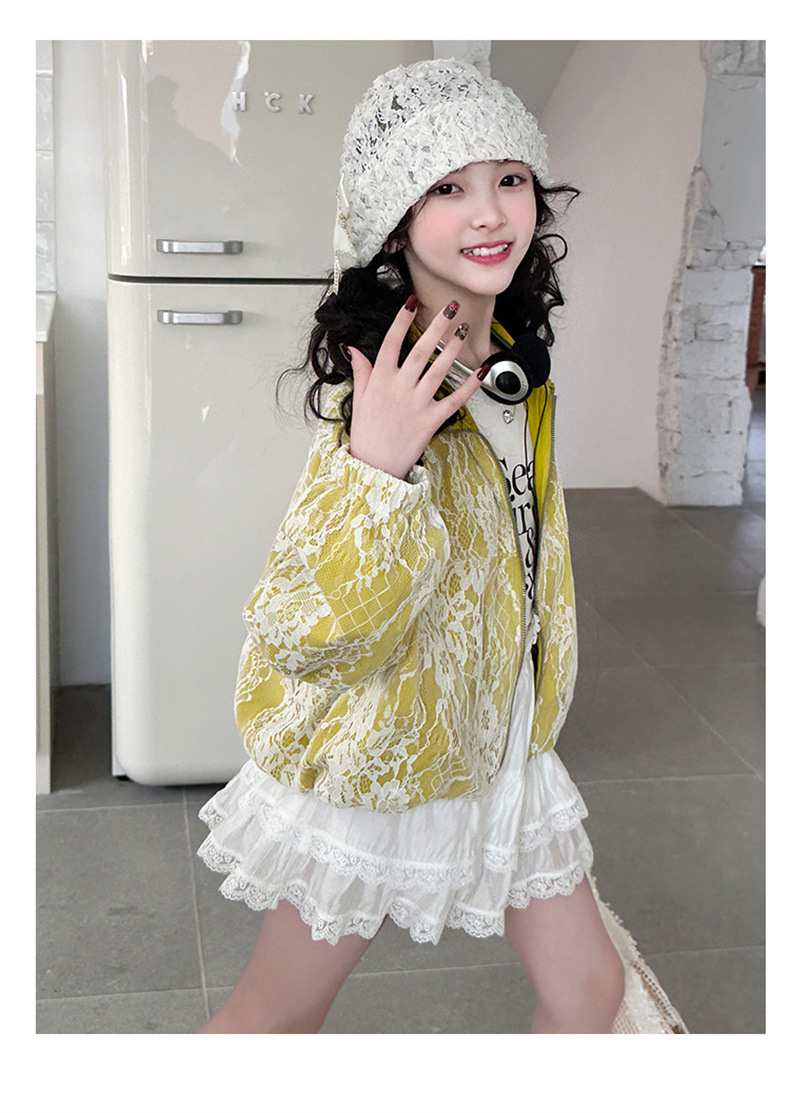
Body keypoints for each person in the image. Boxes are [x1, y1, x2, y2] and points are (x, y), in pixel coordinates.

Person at [195, 59, 669, 1036]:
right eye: (447, 187)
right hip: (386, 757)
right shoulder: (383, 391)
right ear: (394, 221)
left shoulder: (512, 370)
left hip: (500, 740)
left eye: (509, 178)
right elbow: (308, 634)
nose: (490, 211)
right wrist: (376, 471)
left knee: (587, 990)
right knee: (268, 1024)